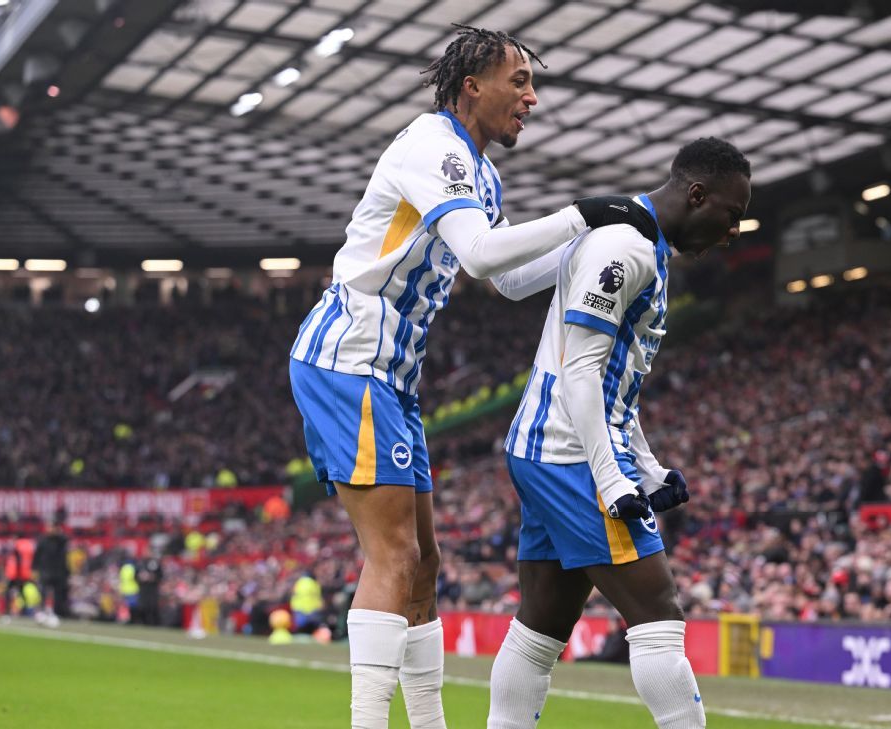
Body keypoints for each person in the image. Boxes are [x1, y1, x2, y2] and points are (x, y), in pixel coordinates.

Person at [286, 24, 659, 729]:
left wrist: (597, 241)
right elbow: (484, 255)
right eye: (519, 82)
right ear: (472, 87)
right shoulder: (432, 147)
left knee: (424, 561)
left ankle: (428, 721)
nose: (533, 98)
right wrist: (581, 212)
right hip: (349, 360)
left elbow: (514, 278)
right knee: (393, 554)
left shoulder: (478, 169)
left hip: (389, 378)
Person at [488, 137, 751, 729]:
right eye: (732, 214)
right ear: (696, 194)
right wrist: (613, 478)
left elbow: (611, 385)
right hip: (569, 457)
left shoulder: (643, 244)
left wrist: (648, 465)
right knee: (658, 611)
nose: (735, 229)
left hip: (547, 449)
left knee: (542, 624)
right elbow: (580, 371)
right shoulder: (624, 247)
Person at [34, 521, 70, 618]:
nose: (50, 529)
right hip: (45, 570)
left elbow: (66, 540)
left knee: (58, 593)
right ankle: (41, 611)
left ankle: (56, 613)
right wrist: (34, 568)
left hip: (58, 572)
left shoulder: (61, 540)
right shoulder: (43, 540)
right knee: (43, 592)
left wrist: (59, 533)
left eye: (53, 527)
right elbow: (37, 555)